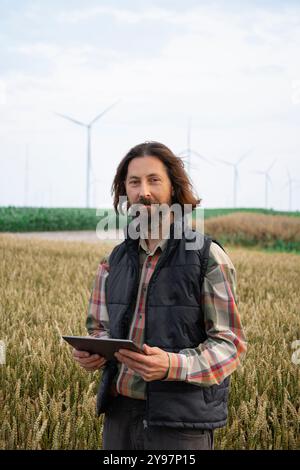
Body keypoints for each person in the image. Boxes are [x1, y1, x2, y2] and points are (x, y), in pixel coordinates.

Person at [72, 141, 247, 451]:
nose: (144, 192)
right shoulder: (112, 261)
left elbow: (230, 345)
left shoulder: (207, 256)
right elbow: (99, 329)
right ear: (125, 193)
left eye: (154, 180)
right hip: (119, 416)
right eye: (134, 182)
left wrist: (170, 365)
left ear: (173, 189)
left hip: (180, 425)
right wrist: (92, 352)